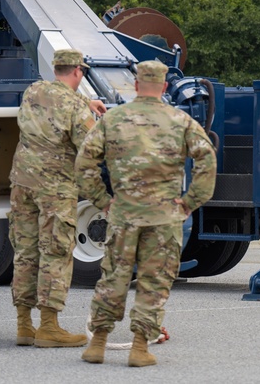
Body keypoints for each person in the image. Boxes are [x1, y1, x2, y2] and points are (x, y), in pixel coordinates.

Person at [76, 60, 216, 367]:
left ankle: (97, 343)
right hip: (165, 218)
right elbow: (207, 160)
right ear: (165, 87)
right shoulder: (180, 121)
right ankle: (139, 347)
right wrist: (190, 202)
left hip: (123, 214)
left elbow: (84, 163)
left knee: (114, 276)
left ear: (136, 86)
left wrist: (102, 200)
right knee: (155, 281)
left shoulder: (112, 120)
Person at [8, 48, 108, 348]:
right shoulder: (76, 109)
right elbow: (92, 148)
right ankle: (49, 327)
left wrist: (85, 103)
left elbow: (57, 101)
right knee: (55, 252)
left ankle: (24, 326)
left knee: (25, 252)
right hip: (55, 188)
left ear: (56, 69)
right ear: (78, 71)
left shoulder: (33, 91)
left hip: (21, 182)